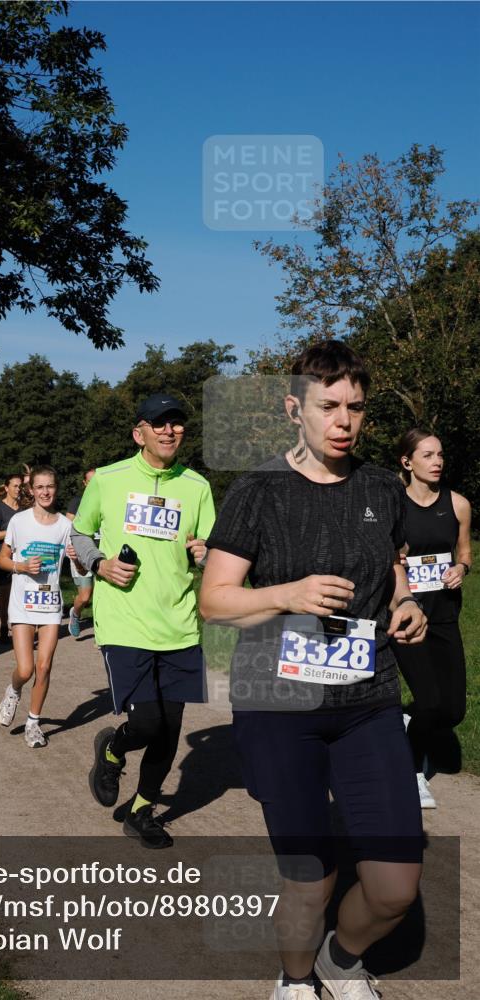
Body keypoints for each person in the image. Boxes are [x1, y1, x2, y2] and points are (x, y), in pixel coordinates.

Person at [200, 341, 428, 1000]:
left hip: (368, 697)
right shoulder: (257, 489)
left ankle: (341, 957)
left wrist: (405, 598)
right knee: (311, 876)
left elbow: (393, 561)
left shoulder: (384, 485)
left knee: (393, 886)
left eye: (355, 407)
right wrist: (285, 595)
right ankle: (294, 979)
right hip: (279, 706)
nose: (344, 420)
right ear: (294, 407)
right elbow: (215, 601)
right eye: (329, 406)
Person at [71, 394, 215, 849]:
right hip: (125, 621)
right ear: (140, 433)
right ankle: (113, 749)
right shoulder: (110, 479)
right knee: (149, 723)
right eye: (160, 424)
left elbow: (210, 548)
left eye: (177, 424)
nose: (170, 431)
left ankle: (141, 810)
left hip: (179, 623)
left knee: (171, 728)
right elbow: (79, 531)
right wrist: (99, 564)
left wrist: (206, 554)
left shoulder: (197, 486)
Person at [395, 429, 472, 809]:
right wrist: (396, 560)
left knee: (453, 709)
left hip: (444, 617)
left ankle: (405, 723)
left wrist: (461, 569)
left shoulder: (457, 504)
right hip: (405, 619)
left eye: (440, 454)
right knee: (428, 700)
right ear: (407, 462)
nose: (437, 461)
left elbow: (465, 552)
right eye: (427, 455)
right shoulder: (393, 505)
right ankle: (412, 775)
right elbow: (382, 557)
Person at [0, 466, 73, 748]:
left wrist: (80, 559)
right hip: (22, 604)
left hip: (51, 605)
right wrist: (22, 565)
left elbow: (77, 561)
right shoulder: (19, 521)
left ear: (56, 488)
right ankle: (14, 690)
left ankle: (33, 723)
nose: (45, 492)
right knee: (26, 669)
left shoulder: (65, 526)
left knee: (45, 666)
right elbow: (1, 560)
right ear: (31, 490)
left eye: (50, 486)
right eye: (40, 487)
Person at [0, 473, 23, 644]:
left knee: (22, 596)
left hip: (23, 559)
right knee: (5, 595)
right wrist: (12, 532)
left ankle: (22, 632)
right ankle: (3, 625)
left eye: (20, 486)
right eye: (14, 486)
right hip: (2, 558)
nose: (18, 489)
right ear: (6, 487)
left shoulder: (25, 509)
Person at [65, 469, 96, 637]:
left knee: (103, 598)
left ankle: (101, 633)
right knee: (84, 597)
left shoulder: (108, 499)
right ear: (84, 483)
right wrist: (71, 550)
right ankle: (75, 615)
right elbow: (66, 527)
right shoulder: (77, 502)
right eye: (90, 481)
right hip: (80, 553)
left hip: (102, 554)